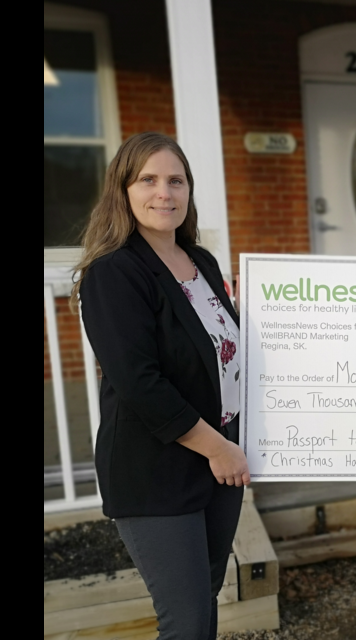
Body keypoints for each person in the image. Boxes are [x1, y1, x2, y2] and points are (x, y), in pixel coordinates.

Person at [73, 132, 250, 639]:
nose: (164, 193)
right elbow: (139, 383)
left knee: (205, 599)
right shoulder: (115, 273)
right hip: (156, 468)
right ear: (122, 190)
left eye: (176, 180)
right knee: (188, 622)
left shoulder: (203, 264)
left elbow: (225, 356)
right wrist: (219, 448)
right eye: (147, 180)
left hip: (220, 463)